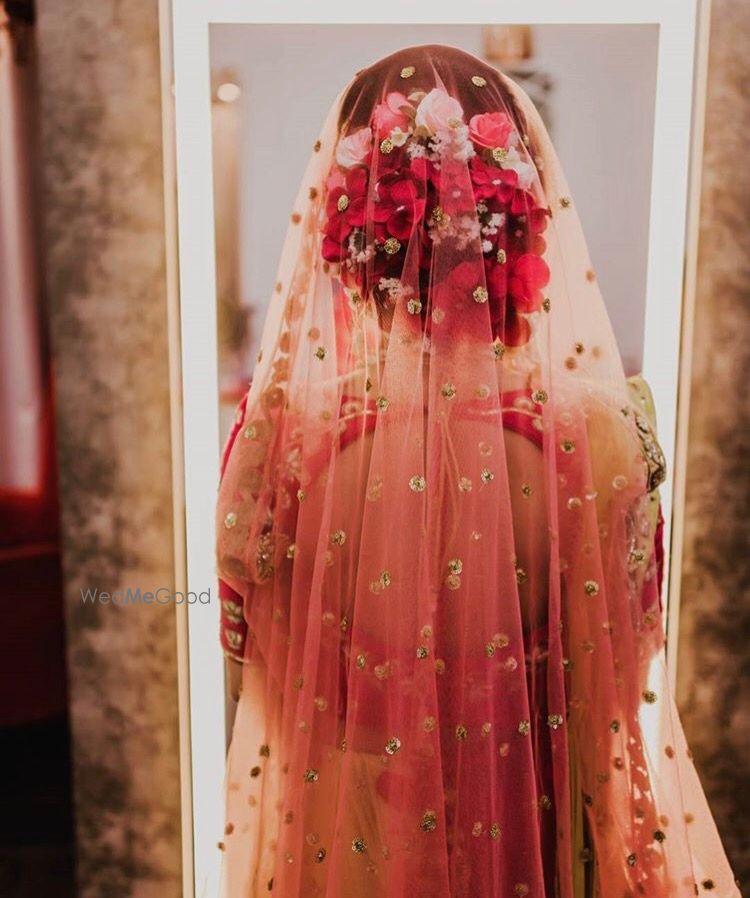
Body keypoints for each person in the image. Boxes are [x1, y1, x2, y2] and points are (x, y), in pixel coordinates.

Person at [215, 44, 738, 898]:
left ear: (351, 240)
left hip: (358, 852)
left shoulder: (284, 446)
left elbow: (270, 699)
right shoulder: (602, 439)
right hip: (550, 840)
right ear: (522, 223)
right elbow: (619, 691)